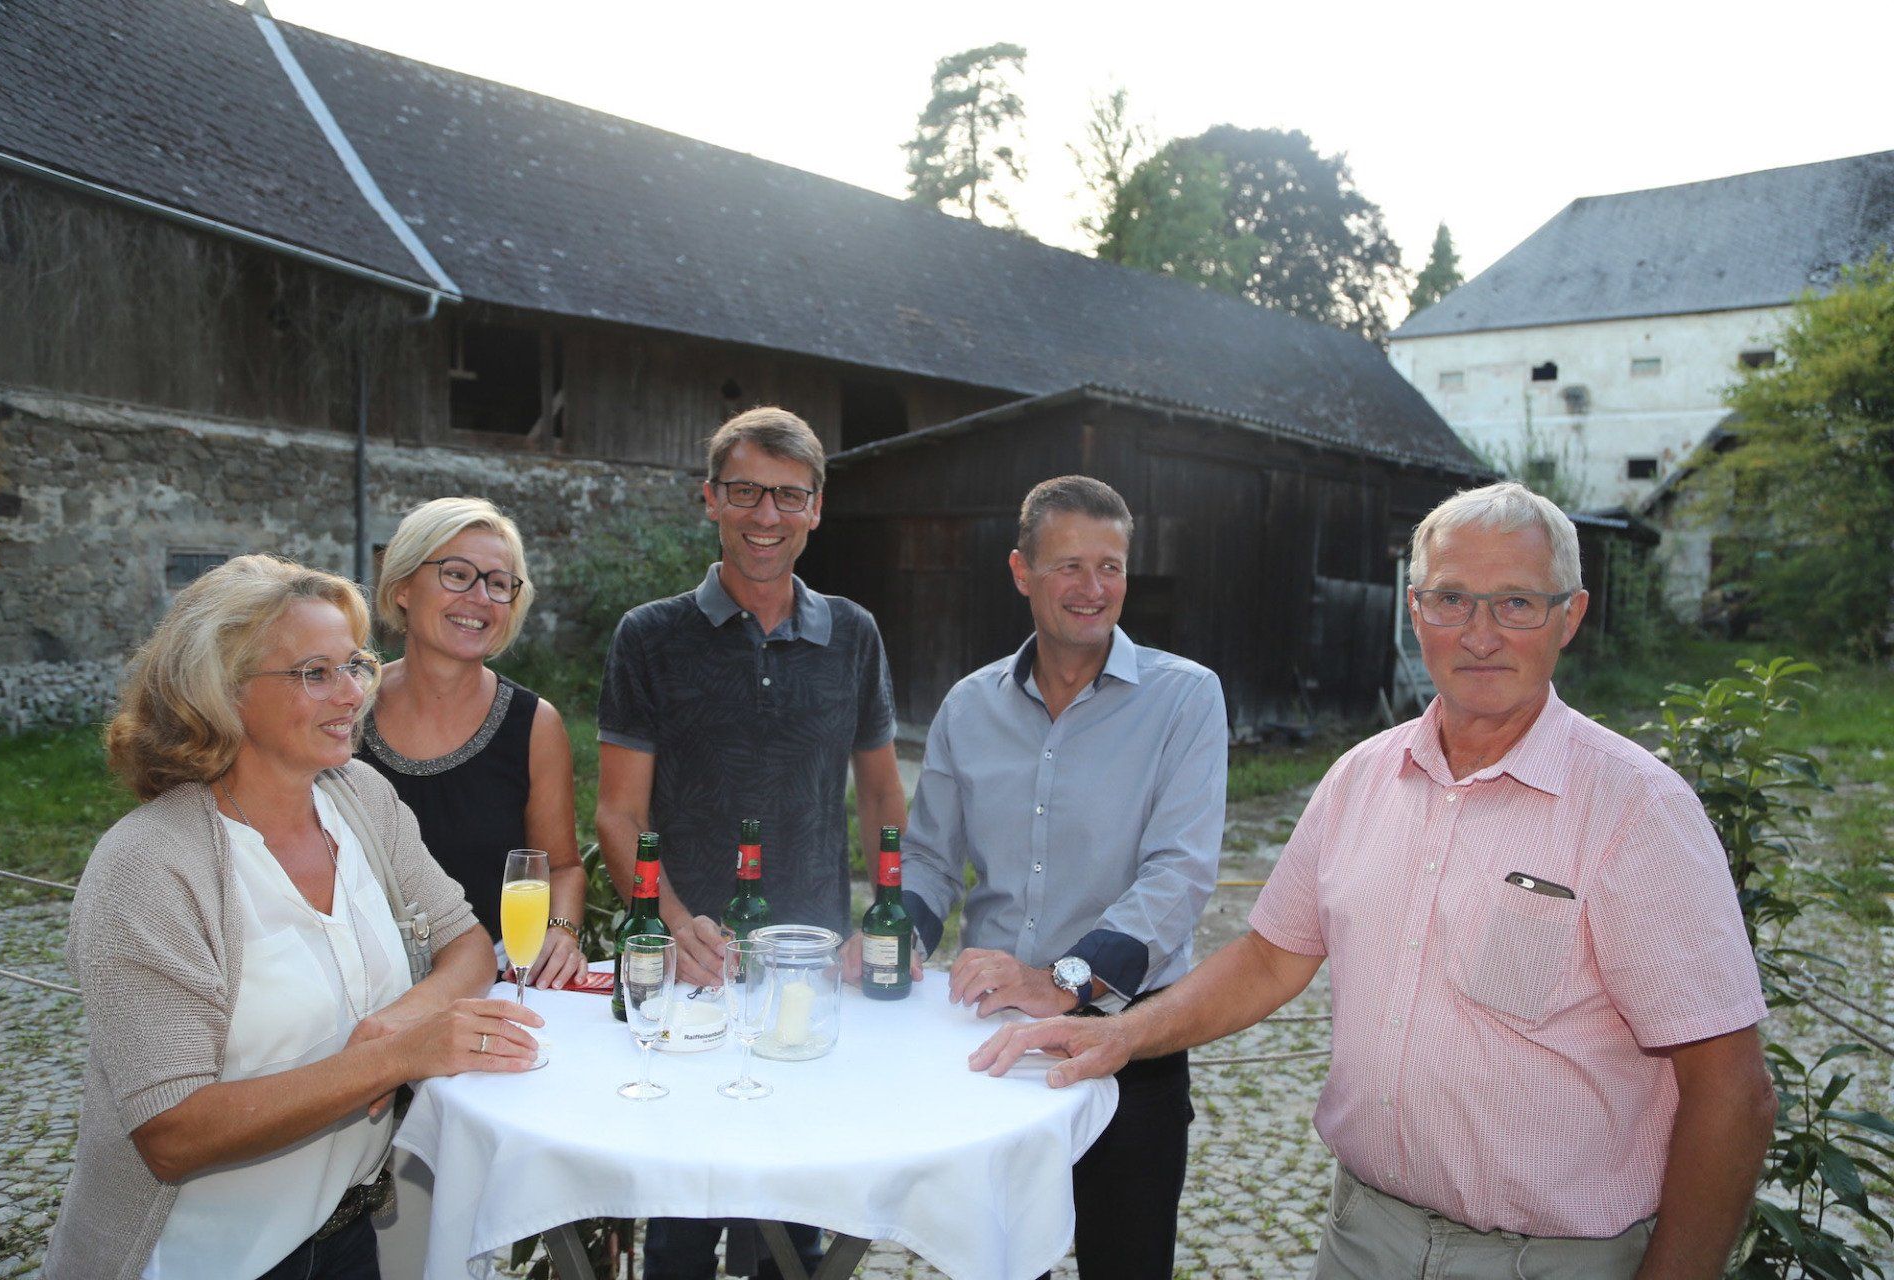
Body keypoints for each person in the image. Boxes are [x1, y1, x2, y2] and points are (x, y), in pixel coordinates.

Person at [973, 482, 1777, 1280]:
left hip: (1551, 1261)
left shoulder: (1637, 809)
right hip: (1364, 1240)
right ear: (1415, 610)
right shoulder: (1361, 777)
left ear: (1570, 616)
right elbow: (1267, 959)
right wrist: (1120, 1033)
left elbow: (1732, 1090)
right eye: (1452, 599)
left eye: (1518, 605)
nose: (1481, 634)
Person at [44, 555, 541, 1280]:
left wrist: (404, 1021)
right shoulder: (149, 866)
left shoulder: (360, 797)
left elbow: (466, 942)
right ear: (221, 690)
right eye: (315, 673)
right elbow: (173, 1133)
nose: (352, 697)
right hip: (199, 1260)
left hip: (345, 1235)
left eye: (356, 666)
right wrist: (392, 1058)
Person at [596, 405, 907, 1278]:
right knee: (683, 1221)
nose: (764, 516)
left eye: (787, 496)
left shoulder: (854, 633)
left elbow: (882, 790)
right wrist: (673, 923)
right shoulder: (648, 636)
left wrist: (884, 916)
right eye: (743, 492)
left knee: (792, 1216)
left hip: (807, 971)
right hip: (692, 975)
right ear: (709, 499)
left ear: (816, 508)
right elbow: (619, 815)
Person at [899, 475, 1228, 1280]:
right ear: (1022, 571)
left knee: (1128, 1265)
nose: (1093, 589)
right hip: (992, 1044)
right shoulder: (968, 706)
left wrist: (1062, 980)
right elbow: (931, 859)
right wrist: (890, 938)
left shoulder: (1187, 700)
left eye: (1110, 567)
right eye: (1070, 567)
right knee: (997, 1269)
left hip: (1132, 1038)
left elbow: (1177, 877)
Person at [359, 496, 588, 988]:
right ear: (401, 587)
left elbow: (563, 867)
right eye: (457, 574)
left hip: (491, 981)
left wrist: (561, 931)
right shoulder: (344, 708)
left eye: (500, 584)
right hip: (356, 980)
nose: (481, 598)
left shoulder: (534, 724)